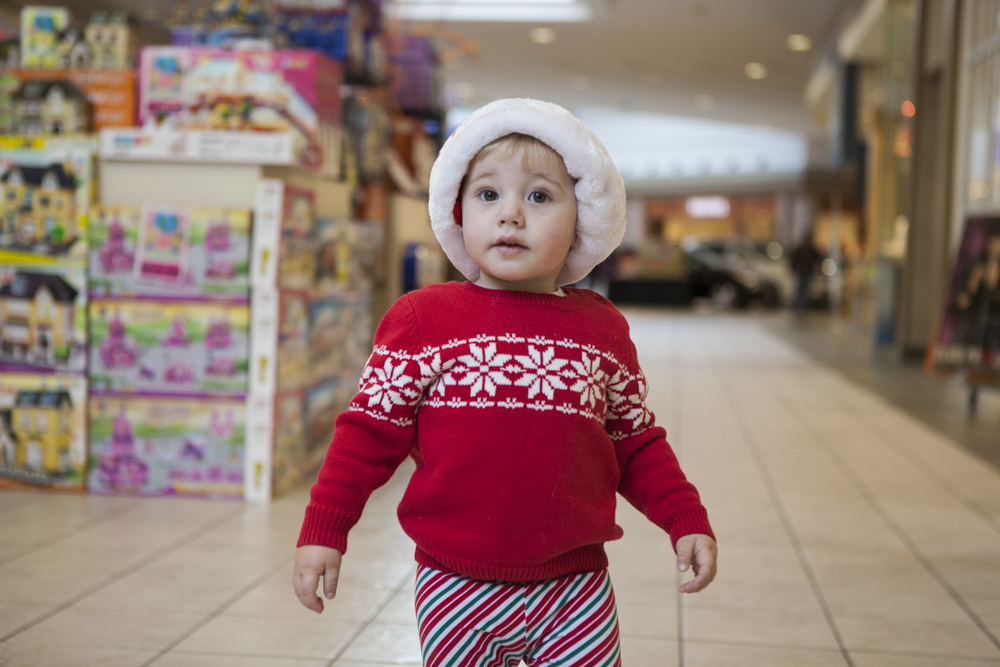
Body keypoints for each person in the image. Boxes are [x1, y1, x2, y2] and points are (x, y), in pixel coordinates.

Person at [293, 99, 717, 666]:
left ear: (582, 220)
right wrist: (325, 528)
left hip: (575, 588)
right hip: (453, 587)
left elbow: (635, 443)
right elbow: (367, 435)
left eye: (539, 196)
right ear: (458, 211)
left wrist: (684, 516)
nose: (510, 214)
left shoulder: (601, 331)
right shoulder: (422, 321)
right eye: (487, 195)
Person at [790, 236, 823, 312]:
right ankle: (800, 305)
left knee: (803, 288)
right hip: (803, 270)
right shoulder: (804, 248)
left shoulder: (810, 249)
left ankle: (802, 305)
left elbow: (818, 258)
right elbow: (794, 257)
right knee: (801, 288)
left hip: (807, 271)